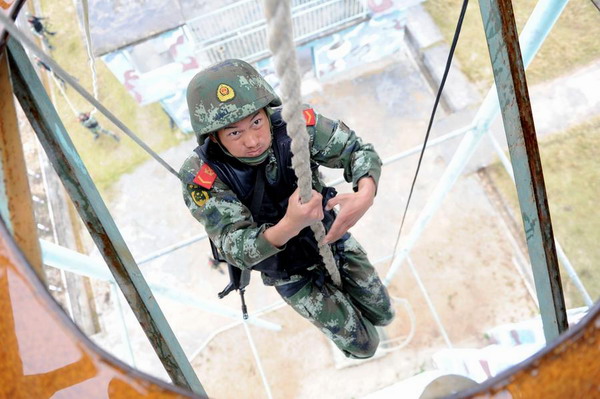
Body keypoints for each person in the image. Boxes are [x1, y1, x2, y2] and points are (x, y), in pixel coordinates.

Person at [180, 59, 394, 359]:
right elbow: (234, 247)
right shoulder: (203, 176)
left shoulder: (295, 125)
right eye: (234, 133)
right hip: (287, 270)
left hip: (330, 236)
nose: (252, 140)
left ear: (268, 112)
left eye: (256, 122)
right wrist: (290, 224)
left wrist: (365, 194)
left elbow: (355, 150)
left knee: (385, 314)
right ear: (213, 136)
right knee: (364, 345)